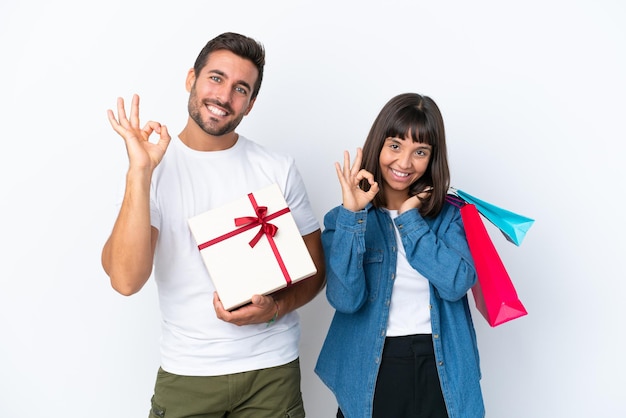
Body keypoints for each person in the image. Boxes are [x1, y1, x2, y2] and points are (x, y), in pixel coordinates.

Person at [101, 32, 325, 418]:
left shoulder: (277, 168)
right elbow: (125, 280)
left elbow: (316, 270)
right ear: (191, 78)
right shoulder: (154, 170)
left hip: (271, 372)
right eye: (216, 78)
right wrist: (139, 171)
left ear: (251, 104)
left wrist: (275, 308)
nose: (224, 97)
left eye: (241, 89)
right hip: (189, 372)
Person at [315, 93, 485, 418]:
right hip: (374, 367)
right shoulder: (343, 220)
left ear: (432, 158)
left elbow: (455, 284)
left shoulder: (450, 217)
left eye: (419, 152)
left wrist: (409, 218)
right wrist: (353, 214)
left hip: (440, 364)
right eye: (395, 145)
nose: (405, 163)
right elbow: (345, 299)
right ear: (379, 144)